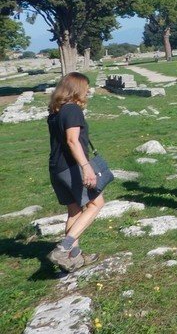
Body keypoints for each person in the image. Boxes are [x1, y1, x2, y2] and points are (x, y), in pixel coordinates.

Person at [46, 72, 105, 272]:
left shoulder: (55, 111)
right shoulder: (72, 110)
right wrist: (85, 166)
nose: (87, 91)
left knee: (74, 210)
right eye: (86, 87)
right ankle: (64, 248)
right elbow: (72, 141)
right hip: (71, 166)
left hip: (56, 167)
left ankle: (74, 257)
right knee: (97, 203)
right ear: (77, 88)